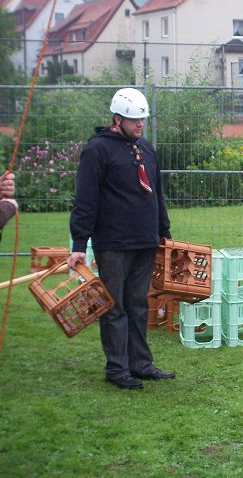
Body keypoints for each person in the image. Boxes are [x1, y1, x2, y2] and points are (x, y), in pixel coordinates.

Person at [67, 88, 175, 389]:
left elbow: (158, 194)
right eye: (133, 120)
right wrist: (78, 245)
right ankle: (117, 368)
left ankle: (141, 363)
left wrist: (164, 233)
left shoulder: (147, 149)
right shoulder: (98, 150)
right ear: (117, 119)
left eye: (142, 119)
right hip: (113, 243)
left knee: (138, 303)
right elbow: (85, 200)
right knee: (114, 306)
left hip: (145, 240)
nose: (140, 125)